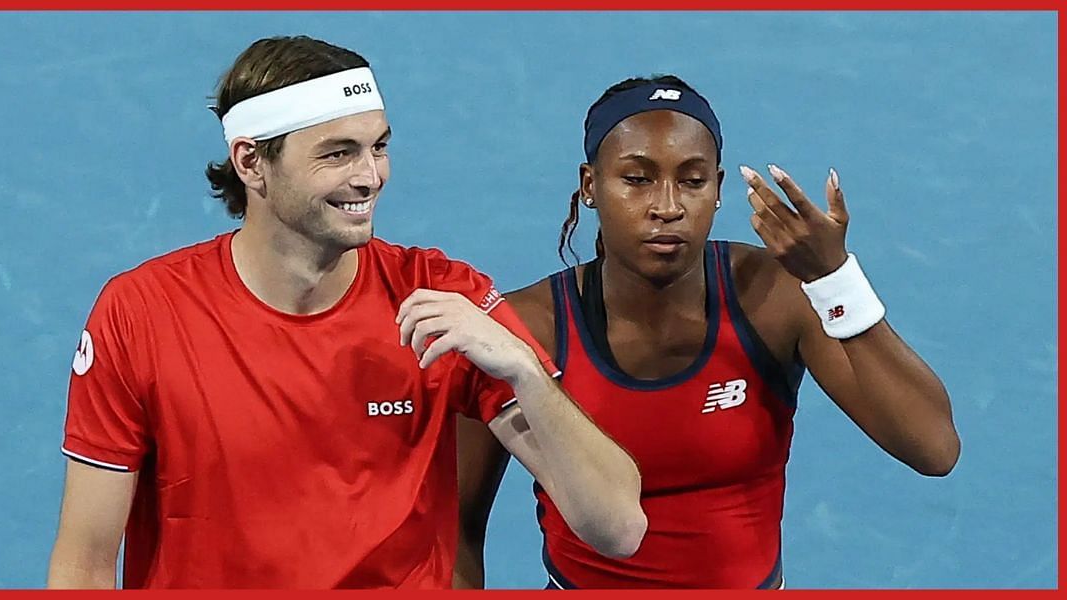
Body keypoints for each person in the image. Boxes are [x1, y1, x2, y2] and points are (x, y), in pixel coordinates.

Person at [46, 36, 646, 589]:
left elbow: (617, 527)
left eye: (378, 147)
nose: (369, 177)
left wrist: (524, 369)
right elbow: (86, 562)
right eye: (337, 154)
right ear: (251, 162)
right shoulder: (142, 313)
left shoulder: (440, 297)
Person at [454, 74, 960, 589]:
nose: (667, 207)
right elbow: (454, 530)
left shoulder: (774, 297)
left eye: (692, 181)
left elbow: (934, 448)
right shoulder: (524, 330)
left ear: (718, 190)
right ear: (590, 186)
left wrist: (835, 282)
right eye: (637, 179)